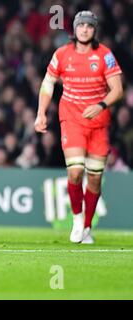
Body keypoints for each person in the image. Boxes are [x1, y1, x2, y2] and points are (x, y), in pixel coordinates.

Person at [34, 11, 123, 244]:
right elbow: (48, 82)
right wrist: (41, 112)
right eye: (80, 25)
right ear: (74, 29)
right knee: (75, 172)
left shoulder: (105, 55)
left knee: (94, 179)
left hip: (99, 124)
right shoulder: (62, 54)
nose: (84, 29)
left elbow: (117, 89)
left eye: (89, 26)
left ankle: (86, 227)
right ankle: (76, 218)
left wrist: (101, 105)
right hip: (72, 119)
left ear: (95, 30)